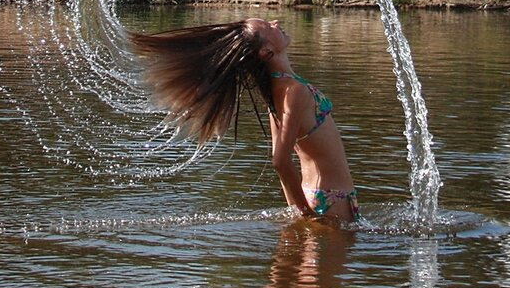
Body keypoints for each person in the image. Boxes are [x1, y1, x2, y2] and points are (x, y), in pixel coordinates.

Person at [129, 18, 359, 224]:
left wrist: (299, 212)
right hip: (332, 200)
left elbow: (279, 161)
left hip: (322, 198)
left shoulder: (278, 92)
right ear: (266, 52)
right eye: (269, 27)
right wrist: (307, 214)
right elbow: (279, 160)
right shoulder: (292, 91)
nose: (276, 22)